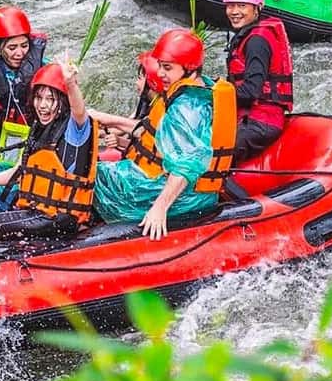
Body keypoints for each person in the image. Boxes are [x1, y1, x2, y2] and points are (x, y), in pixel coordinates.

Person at [93, 29, 237, 240]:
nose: (160, 74)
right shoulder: (194, 89)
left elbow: (186, 166)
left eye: (167, 67)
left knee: (92, 175)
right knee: (100, 171)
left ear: (189, 68)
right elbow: (159, 136)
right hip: (178, 186)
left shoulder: (188, 107)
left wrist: (160, 208)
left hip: (184, 198)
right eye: (160, 66)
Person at [0, 60, 98, 241]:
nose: (43, 105)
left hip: (59, 218)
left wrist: (70, 83)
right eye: (39, 98)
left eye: (51, 99)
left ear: (63, 102)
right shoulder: (38, 129)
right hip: (37, 213)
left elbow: (79, 112)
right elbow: (18, 172)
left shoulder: (75, 131)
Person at [0, 5, 48, 211]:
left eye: (24, 46)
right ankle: (8, 213)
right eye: (12, 48)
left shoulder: (41, 65)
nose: (20, 53)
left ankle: (32, 208)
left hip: (28, 138)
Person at [222, 0, 294, 162]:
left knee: (215, 158)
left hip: (261, 122)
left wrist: (215, 95)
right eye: (230, 6)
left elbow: (251, 91)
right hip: (250, 115)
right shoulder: (250, 34)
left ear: (257, 8)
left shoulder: (257, 42)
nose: (234, 11)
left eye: (242, 6)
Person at [91, 51, 165, 158]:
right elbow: (127, 124)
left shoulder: (162, 110)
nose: (136, 83)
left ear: (152, 83)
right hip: (133, 149)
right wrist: (100, 132)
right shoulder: (146, 101)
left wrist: (118, 139)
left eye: (140, 78)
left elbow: (145, 134)